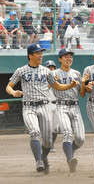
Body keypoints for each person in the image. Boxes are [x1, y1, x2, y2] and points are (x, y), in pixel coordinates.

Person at [6, 44, 79, 174]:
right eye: (37, 53)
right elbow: (9, 86)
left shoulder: (46, 71)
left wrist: (69, 85)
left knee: (47, 141)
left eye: (41, 53)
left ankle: (43, 157)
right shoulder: (21, 70)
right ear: (30, 55)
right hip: (29, 107)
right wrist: (13, 92)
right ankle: (38, 161)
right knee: (34, 132)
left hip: (44, 106)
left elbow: (57, 86)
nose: (41, 55)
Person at [52, 49, 85, 173]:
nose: (68, 58)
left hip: (75, 106)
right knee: (67, 132)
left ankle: (70, 149)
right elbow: (48, 86)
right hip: (61, 106)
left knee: (81, 139)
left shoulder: (77, 73)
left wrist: (85, 86)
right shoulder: (54, 73)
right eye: (65, 56)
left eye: (70, 56)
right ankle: (70, 159)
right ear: (60, 59)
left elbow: (81, 94)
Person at [44, 60, 60, 153]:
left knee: (56, 128)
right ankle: (47, 144)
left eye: (52, 67)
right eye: (49, 67)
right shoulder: (43, 79)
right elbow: (44, 89)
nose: (51, 69)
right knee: (48, 126)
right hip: (48, 104)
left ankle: (51, 145)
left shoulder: (58, 78)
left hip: (57, 104)